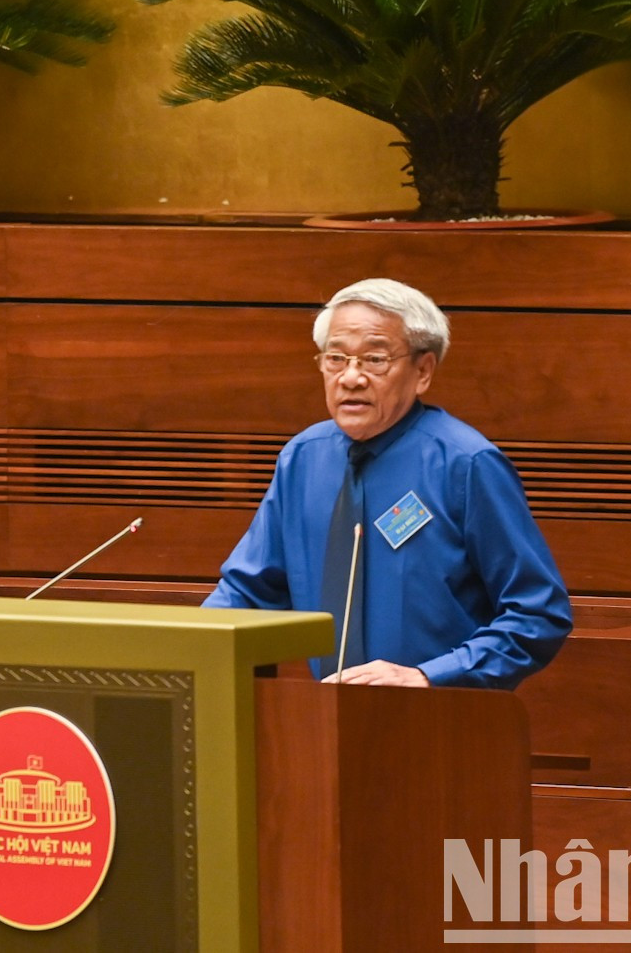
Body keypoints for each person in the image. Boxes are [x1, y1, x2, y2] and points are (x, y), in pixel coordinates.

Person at [203, 277, 571, 689]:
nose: (351, 377)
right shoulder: (303, 458)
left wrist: (428, 676)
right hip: (324, 720)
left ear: (423, 370)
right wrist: (187, 644)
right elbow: (248, 592)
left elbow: (538, 612)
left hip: (440, 720)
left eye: (374, 360)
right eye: (336, 358)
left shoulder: (465, 464)